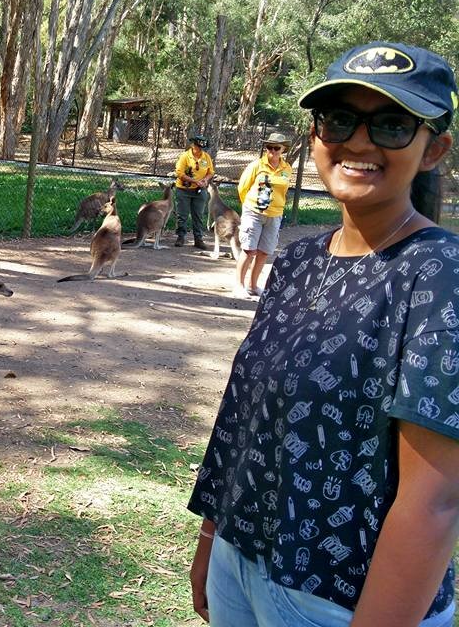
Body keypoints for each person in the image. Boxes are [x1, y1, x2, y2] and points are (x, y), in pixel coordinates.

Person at [188, 41, 459, 627]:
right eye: (339, 120)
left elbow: (436, 500)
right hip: (243, 559)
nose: (359, 141)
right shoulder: (299, 258)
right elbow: (245, 411)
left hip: (339, 597)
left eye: (391, 125)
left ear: (434, 149)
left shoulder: (440, 276)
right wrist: (214, 536)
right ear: (316, 135)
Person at [234, 132, 294, 299]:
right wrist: (250, 206)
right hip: (254, 212)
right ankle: (239, 285)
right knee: (249, 250)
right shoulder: (256, 165)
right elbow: (243, 188)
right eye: (269, 147)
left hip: (275, 215)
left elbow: (284, 191)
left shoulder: (287, 169)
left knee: (264, 252)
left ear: (283, 149)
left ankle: (253, 286)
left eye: (276, 148)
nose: (272, 151)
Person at [174, 134, 214, 248]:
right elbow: (179, 173)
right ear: (193, 145)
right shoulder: (185, 156)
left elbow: (210, 172)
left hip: (200, 190)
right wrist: (194, 181)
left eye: (202, 148)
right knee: (182, 214)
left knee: (198, 215)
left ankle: (198, 238)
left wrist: (205, 180)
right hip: (184, 189)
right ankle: (180, 236)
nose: (200, 150)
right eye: (199, 147)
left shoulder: (206, 157)